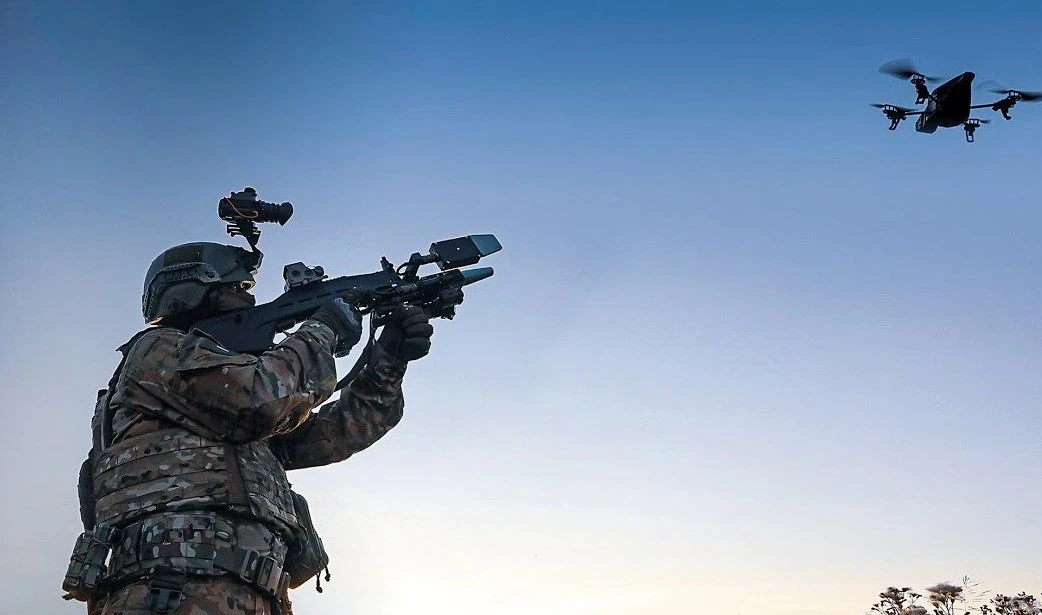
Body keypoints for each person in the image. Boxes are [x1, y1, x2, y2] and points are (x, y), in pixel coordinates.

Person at [63, 241, 433, 614]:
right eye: (236, 289)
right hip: (171, 594)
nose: (250, 301)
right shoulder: (157, 351)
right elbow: (261, 398)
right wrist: (323, 328)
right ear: (192, 290)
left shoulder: (224, 411)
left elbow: (339, 434)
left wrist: (389, 359)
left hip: (255, 599)